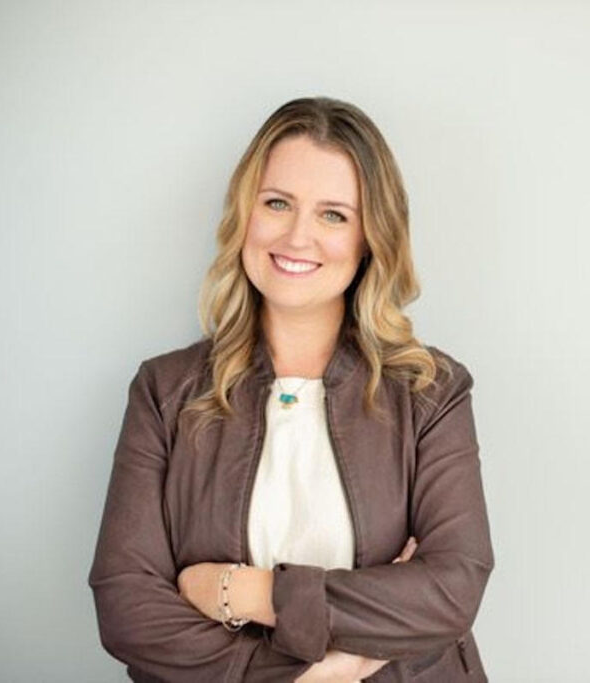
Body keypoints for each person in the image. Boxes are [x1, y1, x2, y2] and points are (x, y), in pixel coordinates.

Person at [87, 97, 495, 682]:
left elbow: (452, 588)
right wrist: (323, 673)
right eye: (277, 203)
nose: (298, 236)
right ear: (244, 215)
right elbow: (126, 607)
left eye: (334, 215)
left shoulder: (432, 392)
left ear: (370, 238)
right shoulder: (164, 391)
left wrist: (244, 591)